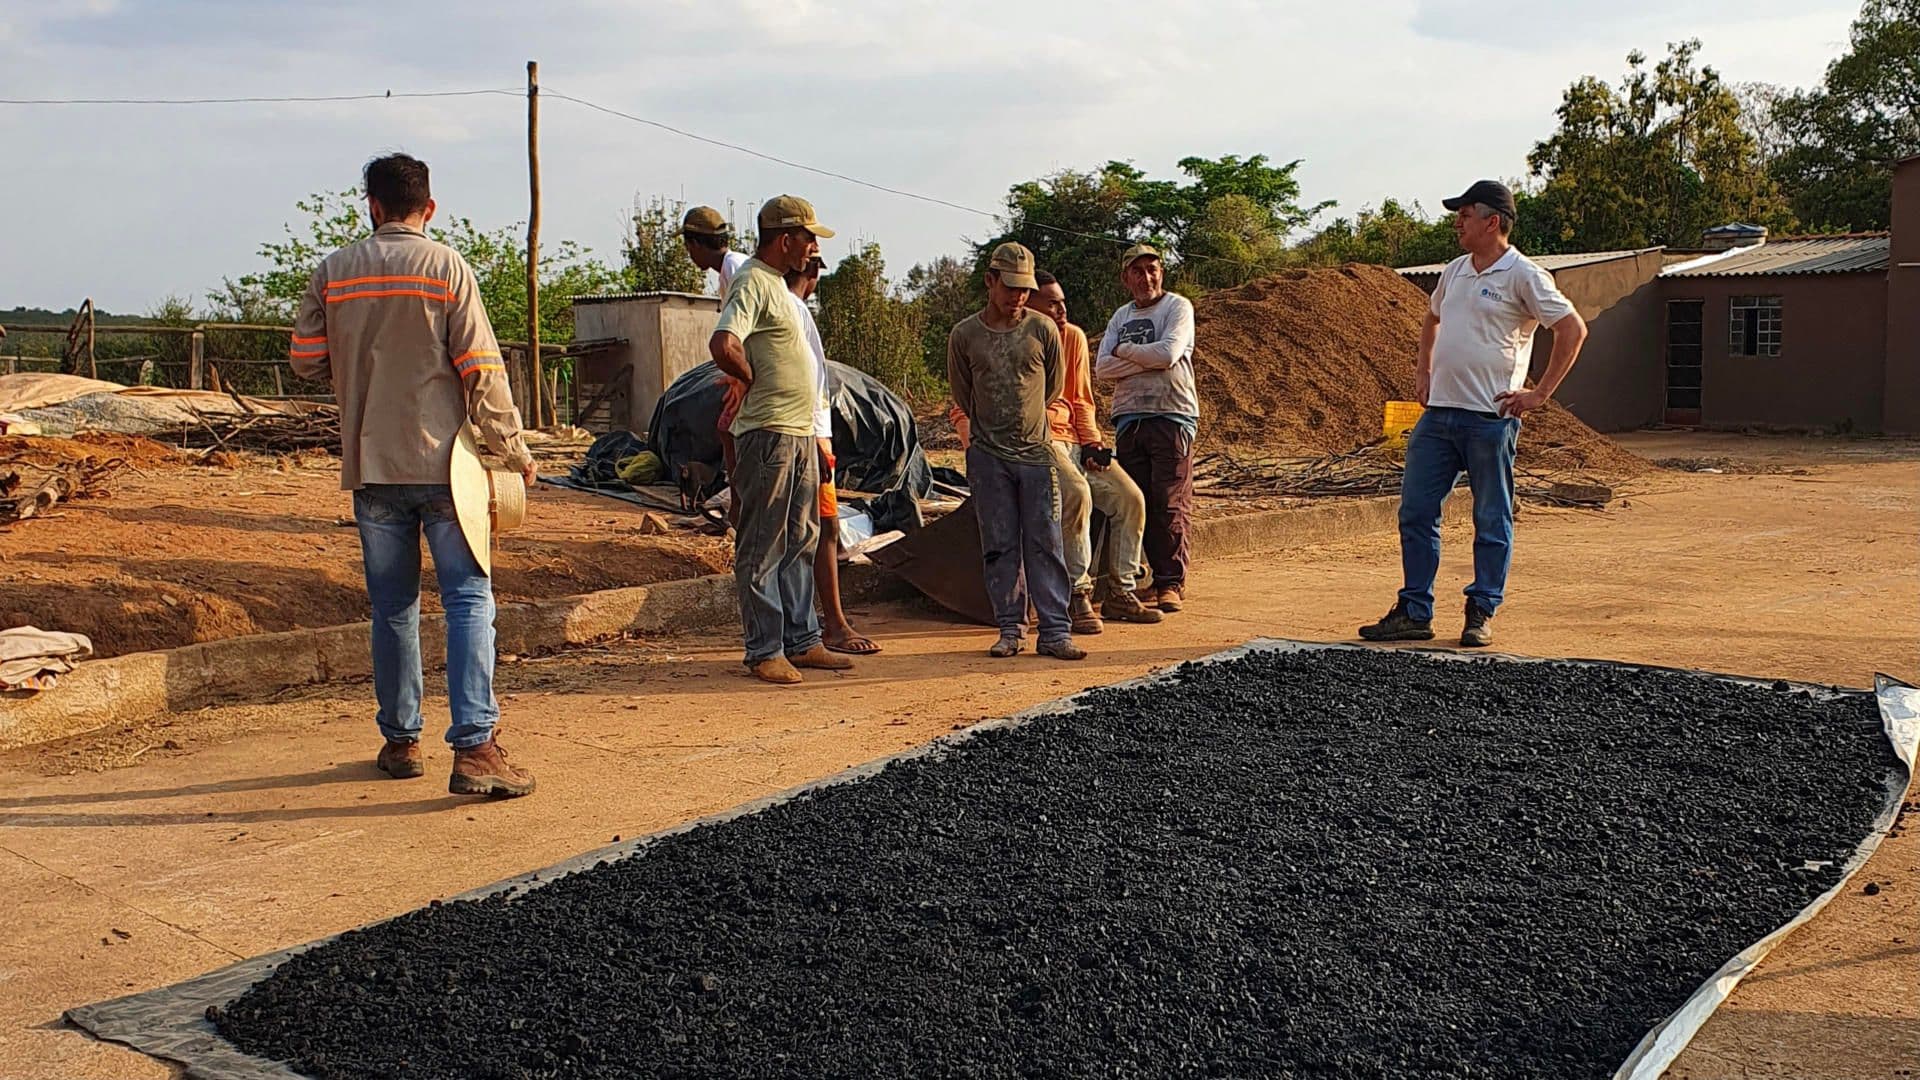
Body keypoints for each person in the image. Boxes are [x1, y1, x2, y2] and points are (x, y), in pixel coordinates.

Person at [289, 152, 536, 797]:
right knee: (467, 600)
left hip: (372, 466)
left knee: (393, 608)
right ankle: (477, 749)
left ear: (370, 205)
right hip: (447, 467)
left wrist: (359, 356)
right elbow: (481, 367)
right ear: (429, 208)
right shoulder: (446, 266)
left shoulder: (334, 272)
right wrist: (512, 450)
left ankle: (401, 741)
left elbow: (306, 361)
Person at [1360, 179, 1588, 648]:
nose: (1457, 222)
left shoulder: (1524, 275)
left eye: (1465, 213)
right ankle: (1415, 610)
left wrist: (1539, 394)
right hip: (1438, 417)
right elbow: (1432, 318)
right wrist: (1423, 370)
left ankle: (1481, 608)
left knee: (1491, 517)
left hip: (1490, 419)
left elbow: (1571, 329)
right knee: (1417, 511)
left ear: (1493, 222)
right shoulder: (1456, 271)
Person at [953, 272, 1160, 633]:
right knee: (1076, 494)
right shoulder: (988, 336)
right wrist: (978, 446)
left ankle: (1121, 591)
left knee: (1131, 498)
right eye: (1051, 303)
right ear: (1027, 306)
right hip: (1037, 441)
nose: (1061, 310)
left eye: (1062, 301)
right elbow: (962, 404)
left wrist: (1093, 442)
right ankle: (1078, 594)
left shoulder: (1071, 337)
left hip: (1073, 439)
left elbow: (1079, 399)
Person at [708, 195, 854, 685]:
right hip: (767, 432)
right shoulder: (752, 282)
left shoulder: (780, 289)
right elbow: (724, 343)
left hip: (796, 431)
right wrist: (748, 377)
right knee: (764, 541)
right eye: (809, 238)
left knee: (801, 538)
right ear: (785, 239)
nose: (813, 248)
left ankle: (803, 640)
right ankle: (764, 648)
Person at [947, 242, 1085, 661]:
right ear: (991, 281)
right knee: (1000, 542)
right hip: (989, 455)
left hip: (1037, 453)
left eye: (1025, 289)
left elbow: (1053, 388)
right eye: (1010, 288)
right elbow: (963, 393)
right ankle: (1010, 627)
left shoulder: (1042, 330)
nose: (1018, 297)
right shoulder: (966, 335)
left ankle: (1055, 630)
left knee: (1045, 541)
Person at [1094, 243, 1198, 614]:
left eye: (1152, 269)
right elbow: (1102, 369)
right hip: (1128, 418)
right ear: (1126, 278)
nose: (1146, 277)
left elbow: (1169, 355)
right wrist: (1146, 360)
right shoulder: (1119, 317)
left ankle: (1170, 583)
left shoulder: (1177, 308)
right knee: (1136, 502)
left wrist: (1125, 352)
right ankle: (1140, 582)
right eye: (1137, 271)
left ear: (1161, 272)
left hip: (1172, 414)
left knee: (1169, 502)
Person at [786, 256, 880, 655]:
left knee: (825, 528)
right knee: (806, 532)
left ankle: (826, 625)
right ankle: (814, 629)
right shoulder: (783, 307)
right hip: (800, 437)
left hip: (815, 437)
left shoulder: (797, 313)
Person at [682, 205, 749, 295]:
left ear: (695, 244)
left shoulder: (733, 267)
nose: (688, 254)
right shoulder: (732, 265)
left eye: (687, 246)